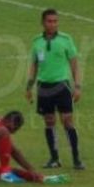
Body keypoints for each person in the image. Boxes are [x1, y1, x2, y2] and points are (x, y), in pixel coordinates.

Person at [26, 9, 85, 170]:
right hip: (43, 87)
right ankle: (54, 158)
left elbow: (74, 64)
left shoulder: (66, 40)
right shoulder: (37, 41)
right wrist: (29, 86)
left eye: (55, 21)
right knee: (49, 121)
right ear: (43, 23)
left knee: (67, 121)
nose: (53, 24)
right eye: (49, 21)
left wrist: (78, 86)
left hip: (62, 86)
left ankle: (76, 159)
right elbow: (34, 65)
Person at [0, 110, 70, 184]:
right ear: (9, 120)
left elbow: (12, 151)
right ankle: (6, 173)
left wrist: (32, 172)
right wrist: (30, 168)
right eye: (15, 127)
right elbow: (14, 151)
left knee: (15, 172)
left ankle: (42, 178)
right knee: (4, 132)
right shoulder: (0, 128)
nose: (13, 131)